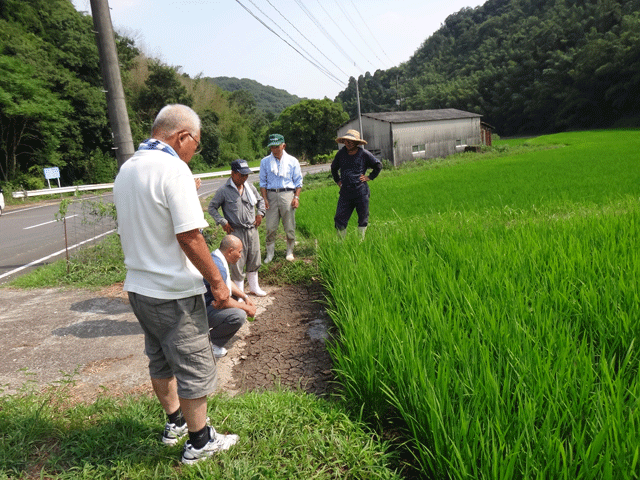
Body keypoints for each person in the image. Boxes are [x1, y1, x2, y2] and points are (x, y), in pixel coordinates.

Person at [113, 104, 239, 465]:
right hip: (172, 290)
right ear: (182, 136)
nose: (193, 152)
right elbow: (189, 235)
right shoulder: (174, 169)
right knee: (193, 363)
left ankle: (176, 423)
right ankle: (200, 442)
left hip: (139, 285)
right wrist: (217, 282)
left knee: (159, 358)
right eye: (195, 144)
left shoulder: (128, 169)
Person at [208, 159, 267, 297]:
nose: (244, 177)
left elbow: (260, 201)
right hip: (236, 231)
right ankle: (239, 294)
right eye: (241, 175)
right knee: (237, 261)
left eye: (246, 175)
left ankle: (254, 287)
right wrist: (222, 221)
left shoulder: (249, 187)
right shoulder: (224, 190)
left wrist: (260, 213)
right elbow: (212, 207)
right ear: (233, 173)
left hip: (252, 230)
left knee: (254, 257)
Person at [203, 235, 257, 358]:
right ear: (230, 251)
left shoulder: (217, 258)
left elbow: (227, 282)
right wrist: (246, 308)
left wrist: (245, 297)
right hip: (200, 311)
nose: (240, 255)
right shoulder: (218, 266)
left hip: (207, 303)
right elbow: (223, 300)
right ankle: (211, 344)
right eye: (239, 252)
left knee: (236, 299)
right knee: (238, 315)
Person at [259, 134, 303, 262]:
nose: (274, 150)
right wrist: (265, 199)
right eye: (271, 147)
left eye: (277, 146)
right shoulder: (265, 161)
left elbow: (298, 182)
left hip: (287, 194)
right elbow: (263, 182)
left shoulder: (292, 161)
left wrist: (296, 197)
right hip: (271, 194)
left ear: (283, 146)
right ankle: (270, 254)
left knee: (289, 226)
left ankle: (289, 251)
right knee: (270, 227)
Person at [331, 129, 382, 239]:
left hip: (361, 191)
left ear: (356, 143)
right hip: (345, 192)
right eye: (346, 141)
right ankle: (341, 244)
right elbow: (334, 168)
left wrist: (369, 177)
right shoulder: (341, 154)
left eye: (350, 141)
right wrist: (338, 181)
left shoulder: (364, 154)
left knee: (363, 217)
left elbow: (378, 165)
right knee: (340, 218)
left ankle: (360, 242)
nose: (348, 144)